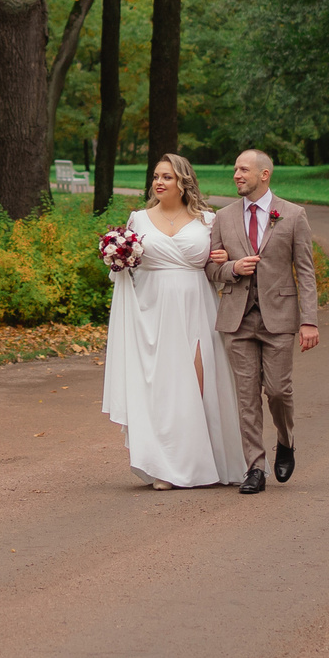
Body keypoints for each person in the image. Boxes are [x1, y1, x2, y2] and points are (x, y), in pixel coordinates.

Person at [100, 154, 246, 488]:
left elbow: (220, 269)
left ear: (183, 182)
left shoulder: (208, 221)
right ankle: (165, 466)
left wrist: (224, 259)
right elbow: (128, 268)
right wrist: (118, 257)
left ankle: (201, 463)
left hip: (197, 306)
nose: (159, 183)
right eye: (156, 177)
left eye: (167, 177)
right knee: (161, 386)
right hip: (152, 311)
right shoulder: (138, 220)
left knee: (198, 382)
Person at [205, 148, 317, 495]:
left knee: (279, 391)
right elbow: (210, 269)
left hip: (279, 318)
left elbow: (306, 272)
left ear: (264, 174)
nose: (237, 175)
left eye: (243, 170)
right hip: (237, 319)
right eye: (235, 170)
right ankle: (255, 467)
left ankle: (286, 440)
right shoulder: (222, 217)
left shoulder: (294, 216)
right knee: (246, 395)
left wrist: (309, 321)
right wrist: (232, 268)